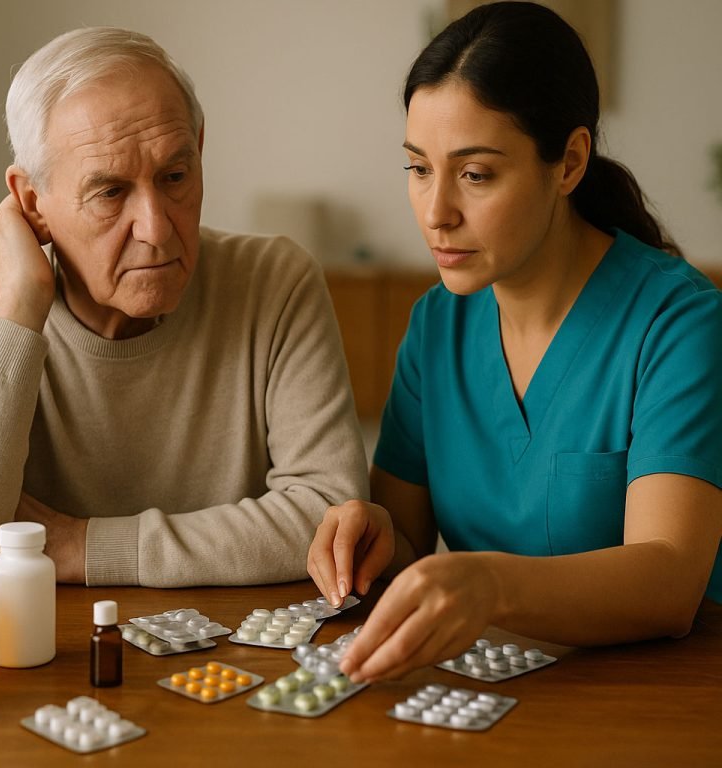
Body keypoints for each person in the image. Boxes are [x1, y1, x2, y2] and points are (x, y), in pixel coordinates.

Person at [308, 1, 722, 683]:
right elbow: (407, 543)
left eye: (476, 174)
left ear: (569, 163)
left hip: (657, 701)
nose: (436, 211)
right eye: (418, 168)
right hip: (490, 695)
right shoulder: (435, 326)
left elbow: (670, 582)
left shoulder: (678, 323)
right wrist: (370, 533)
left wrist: (490, 586)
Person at [0, 27, 369, 587]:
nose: (156, 229)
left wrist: (84, 546)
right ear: (32, 203)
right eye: (109, 193)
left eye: (175, 177)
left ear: (199, 151)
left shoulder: (275, 282)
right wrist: (22, 305)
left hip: (240, 658)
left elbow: (332, 520)